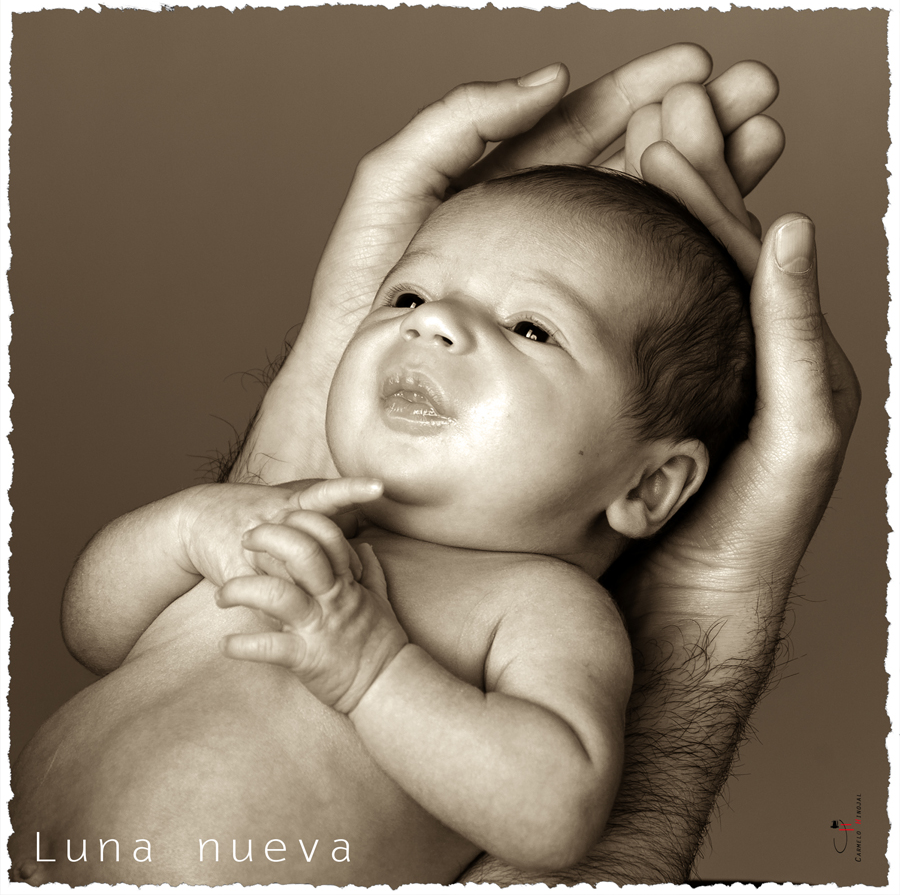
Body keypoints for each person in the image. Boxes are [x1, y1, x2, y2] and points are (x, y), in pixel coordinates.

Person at [9, 45, 859, 886]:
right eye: (408, 296)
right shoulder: (281, 515)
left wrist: (374, 672)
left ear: (646, 486)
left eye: (531, 327)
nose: (432, 323)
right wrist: (194, 526)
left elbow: (555, 812)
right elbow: (95, 631)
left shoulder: (535, 605)